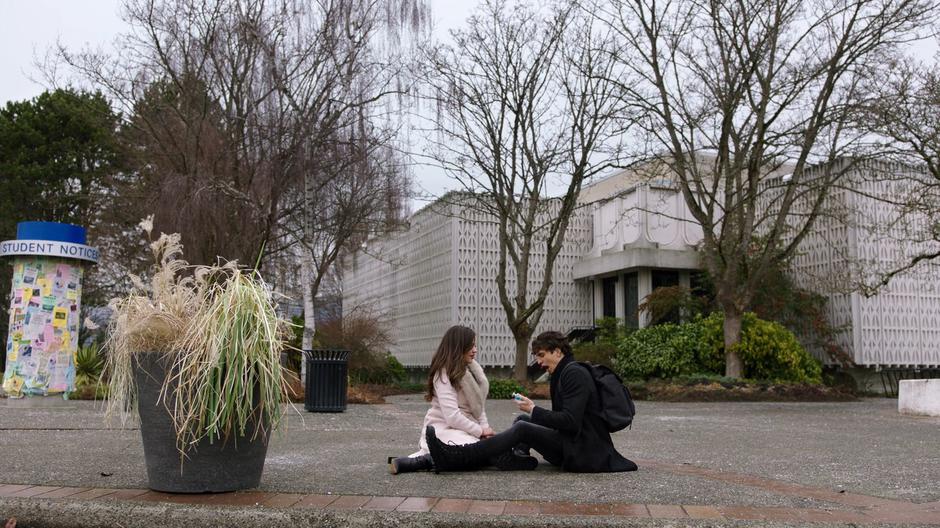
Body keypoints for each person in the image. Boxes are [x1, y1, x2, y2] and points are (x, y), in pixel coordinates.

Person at [425, 330, 638, 473]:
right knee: (521, 419)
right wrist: (531, 411)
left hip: (584, 453)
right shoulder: (563, 372)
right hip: (573, 444)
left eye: (542, 355)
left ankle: (458, 457)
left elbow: (570, 422)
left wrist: (535, 410)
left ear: (558, 351)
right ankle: (517, 458)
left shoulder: (574, 374)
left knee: (523, 428)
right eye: (536, 356)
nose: (538, 362)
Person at [388, 324, 537, 474]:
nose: (475, 350)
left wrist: (485, 433)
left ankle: (511, 455)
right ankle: (425, 460)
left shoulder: (470, 371)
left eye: (475, 345)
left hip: (466, 430)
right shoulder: (444, 374)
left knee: (483, 448)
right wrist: (480, 431)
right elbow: (452, 417)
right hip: (445, 429)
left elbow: (479, 408)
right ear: (459, 346)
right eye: (471, 346)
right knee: (475, 451)